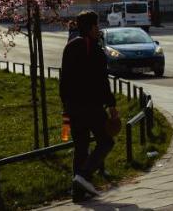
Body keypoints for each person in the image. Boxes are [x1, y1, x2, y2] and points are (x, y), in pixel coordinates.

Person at [60, 10, 118, 201]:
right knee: (106, 141)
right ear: (91, 27)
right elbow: (102, 81)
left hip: (72, 107)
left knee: (81, 147)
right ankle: (83, 176)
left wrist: (65, 106)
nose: (98, 29)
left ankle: (77, 193)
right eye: (97, 26)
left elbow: (64, 79)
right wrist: (111, 105)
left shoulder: (70, 47)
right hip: (92, 107)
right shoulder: (95, 50)